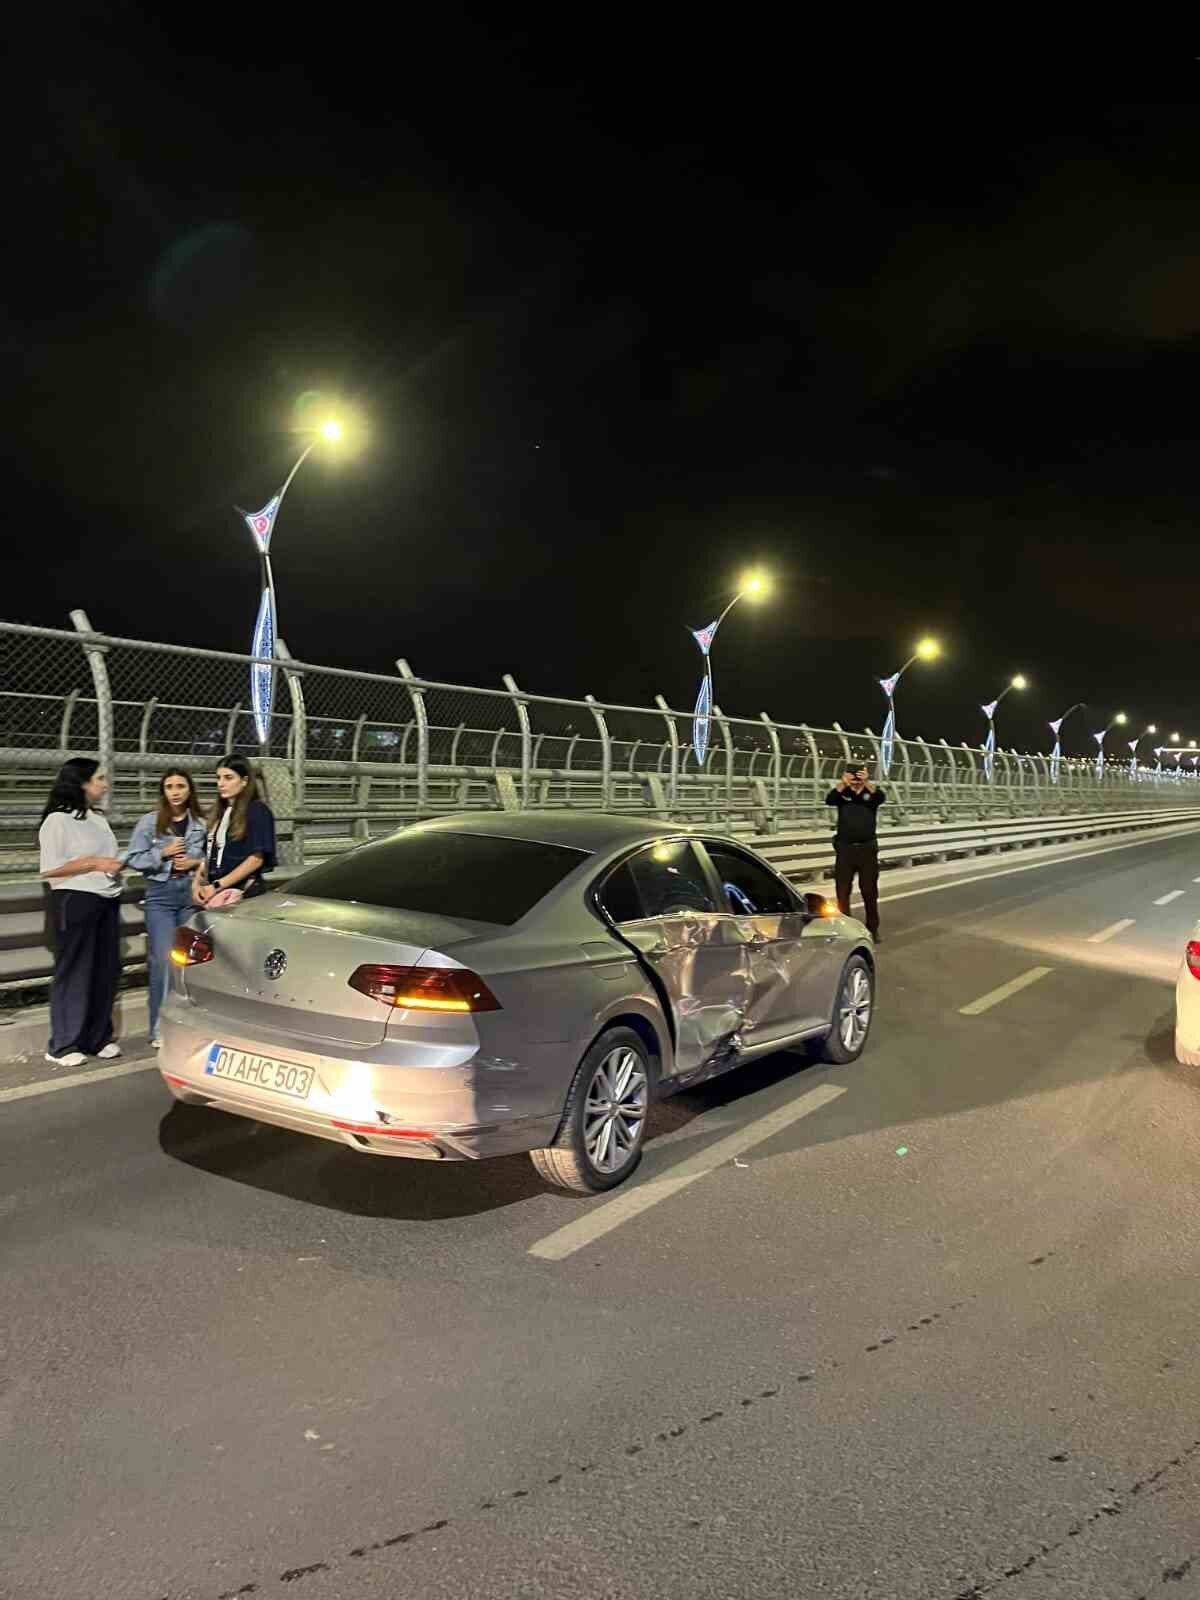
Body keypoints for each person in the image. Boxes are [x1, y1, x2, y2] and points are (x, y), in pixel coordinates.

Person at [38, 757, 128, 1067]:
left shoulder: (97, 819)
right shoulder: (58, 820)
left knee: (105, 969)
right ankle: (62, 1044)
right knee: (75, 970)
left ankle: (97, 1037)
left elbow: (108, 857)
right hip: (75, 899)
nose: (105, 784)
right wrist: (94, 863)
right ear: (81, 783)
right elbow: (50, 869)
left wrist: (116, 865)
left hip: (106, 899)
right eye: (99, 778)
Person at [124, 769, 208, 1048]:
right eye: (169, 786)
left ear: (189, 790)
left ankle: (186, 1026)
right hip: (160, 895)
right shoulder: (150, 822)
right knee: (162, 961)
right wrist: (163, 853)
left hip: (190, 894)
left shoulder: (200, 824)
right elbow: (134, 858)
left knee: (187, 963)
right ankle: (159, 1029)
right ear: (163, 791)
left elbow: (212, 857)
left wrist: (196, 863)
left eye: (180, 786)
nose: (175, 791)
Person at [193, 755, 277, 907]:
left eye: (228, 778)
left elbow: (255, 860)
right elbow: (208, 857)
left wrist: (217, 886)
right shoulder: (220, 812)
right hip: (217, 891)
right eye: (218, 778)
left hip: (242, 893)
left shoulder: (257, 811)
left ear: (244, 781)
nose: (221, 783)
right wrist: (196, 885)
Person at [825, 760, 886, 940]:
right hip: (845, 850)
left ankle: (873, 929)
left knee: (869, 891)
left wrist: (867, 782)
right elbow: (829, 800)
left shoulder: (871, 794)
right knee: (842, 891)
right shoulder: (842, 793)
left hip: (867, 849)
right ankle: (846, 929)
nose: (856, 776)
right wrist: (844, 783)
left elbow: (881, 797)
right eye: (852, 772)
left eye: (859, 772)